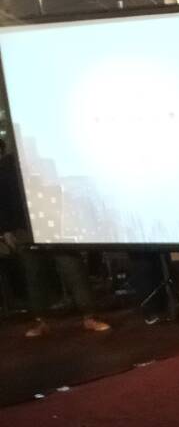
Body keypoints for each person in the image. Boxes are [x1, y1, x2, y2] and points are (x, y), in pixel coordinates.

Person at [1, 139, 110, 337]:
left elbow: (63, 190)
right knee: (34, 275)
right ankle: (41, 320)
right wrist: (7, 229)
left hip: (56, 222)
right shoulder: (7, 165)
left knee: (73, 268)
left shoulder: (46, 161)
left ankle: (90, 316)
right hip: (24, 226)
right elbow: (3, 199)